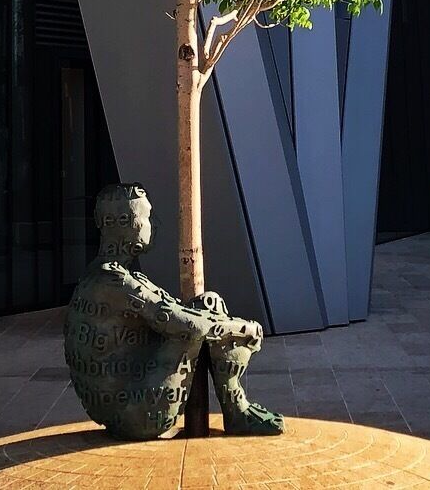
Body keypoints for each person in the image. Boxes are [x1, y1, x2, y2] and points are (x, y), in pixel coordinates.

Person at [64, 182, 284, 440]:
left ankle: (236, 408)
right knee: (191, 329)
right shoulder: (114, 282)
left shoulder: (110, 274)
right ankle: (237, 410)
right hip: (136, 416)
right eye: (147, 216)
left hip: (129, 400)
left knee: (209, 303)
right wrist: (245, 329)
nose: (155, 224)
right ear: (123, 222)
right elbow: (184, 324)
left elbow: (173, 312)